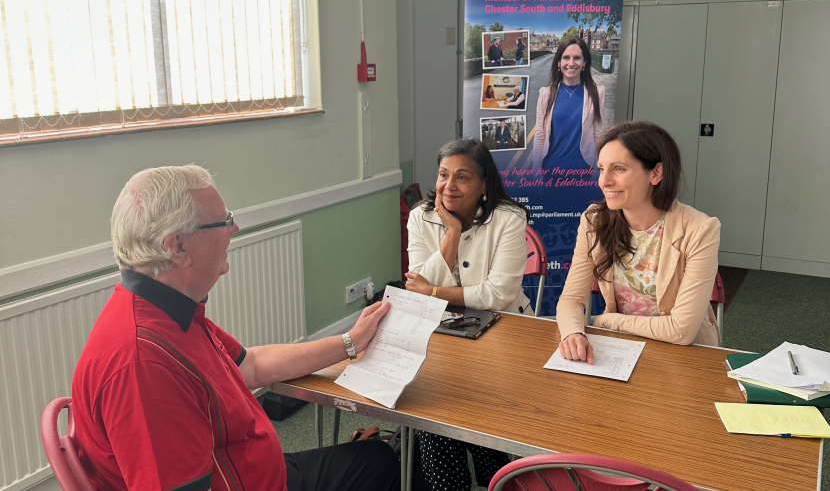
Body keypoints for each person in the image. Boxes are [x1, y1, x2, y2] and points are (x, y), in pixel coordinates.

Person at [71, 166, 400, 491]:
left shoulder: (164, 307)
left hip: (256, 468)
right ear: (177, 247)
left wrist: (350, 342)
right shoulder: (144, 363)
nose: (235, 228)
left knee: (376, 459)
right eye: (224, 221)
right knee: (380, 468)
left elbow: (251, 364)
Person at [404, 138, 530, 491]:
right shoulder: (420, 217)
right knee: (433, 411)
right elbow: (417, 286)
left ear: (484, 184)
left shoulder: (509, 218)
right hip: (442, 335)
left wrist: (433, 292)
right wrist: (453, 233)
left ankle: (494, 477)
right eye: (443, 174)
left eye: (462, 177)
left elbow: (498, 295)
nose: (449, 186)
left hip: (505, 335)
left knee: (477, 410)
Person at [556, 121, 721, 365]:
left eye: (618, 169)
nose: (604, 181)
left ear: (656, 173)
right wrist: (573, 333)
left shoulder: (700, 229)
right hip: (621, 347)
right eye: (601, 169)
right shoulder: (594, 220)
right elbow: (571, 298)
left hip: (684, 355)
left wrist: (607, 321)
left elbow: (681, 331)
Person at [532, 36, 605, 171]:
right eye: (566, 58)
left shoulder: (597, 94)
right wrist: (536, 172)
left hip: (584, 171)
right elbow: (540, 135)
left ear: (584, 62)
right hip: (550, 170)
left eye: (577, 58)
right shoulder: (545, 94)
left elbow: (598, 135)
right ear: (558, 62)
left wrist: (598, 172)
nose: (571, 63)